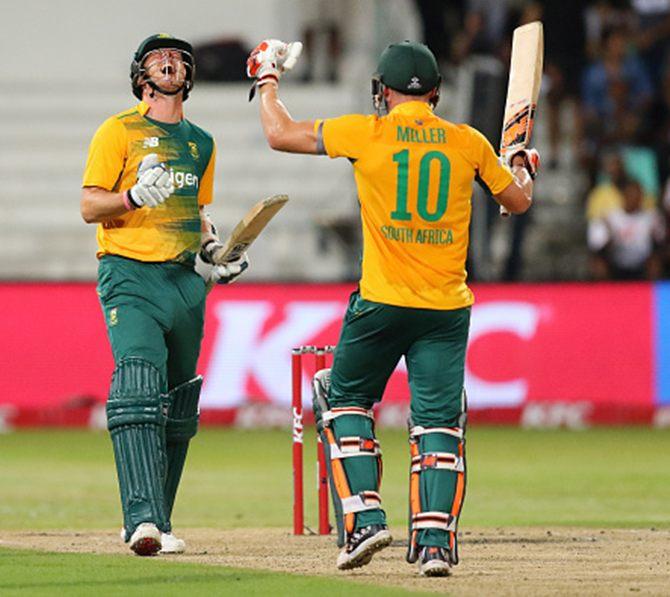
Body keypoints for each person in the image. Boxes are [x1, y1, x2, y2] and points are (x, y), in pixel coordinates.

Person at [247, 40, 537, 575]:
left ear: (381, 90)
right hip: (446, 310)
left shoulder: (367, 131)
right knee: (438, 426)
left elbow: (278, 133)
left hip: (382, 303)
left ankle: (364, 520)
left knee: (344, 397)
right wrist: (522, 166)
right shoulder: (467, 142)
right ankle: (434, 546)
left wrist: (266, 78)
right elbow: (516, 201)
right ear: (436, 92)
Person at [80, 33, 247, 556]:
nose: (171, 62)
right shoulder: (119, 131)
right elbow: (89, 206)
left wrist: (216, 252)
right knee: (137, 384)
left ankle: (161, 520)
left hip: (182, 281)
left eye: (178, 58)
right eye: (159, 58)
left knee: (178, 403)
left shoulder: (202, 142)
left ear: (189, 75)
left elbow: (198, 214)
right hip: (129, 273)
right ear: (141, 75)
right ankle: (141, 520)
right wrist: (131, 196)